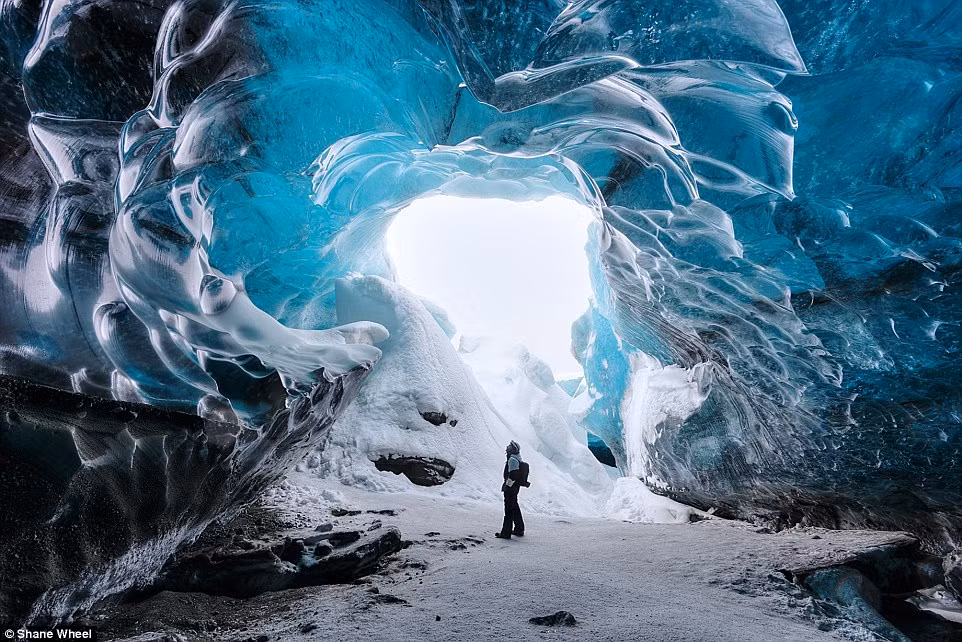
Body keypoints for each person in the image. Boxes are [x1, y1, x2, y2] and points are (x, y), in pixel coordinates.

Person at [495, 440, 528, 539]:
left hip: (511, 488)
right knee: (514, 507)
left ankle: (506, 532)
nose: (507, 447)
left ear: (513, 449)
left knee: (508, 509)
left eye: (509, 446)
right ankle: (519, 529)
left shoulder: (512, 459)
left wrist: (508, 485)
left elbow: (514, 474)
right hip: (515, 487)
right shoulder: (516, 458)